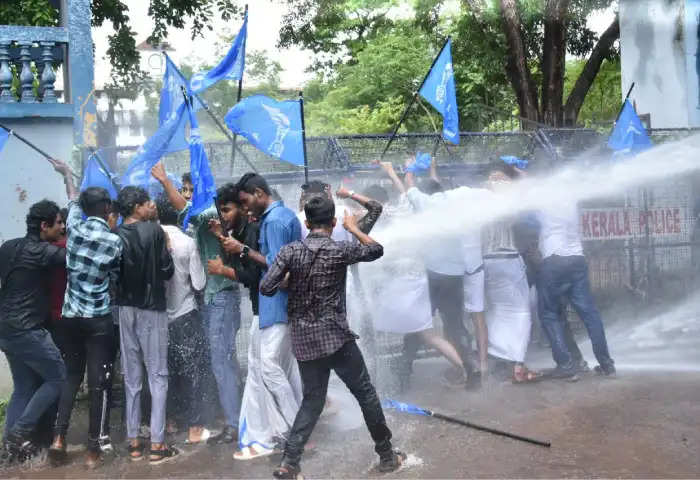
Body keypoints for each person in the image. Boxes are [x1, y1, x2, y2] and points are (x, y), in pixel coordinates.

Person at [260, 196, 405, 479]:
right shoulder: (340, 250)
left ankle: (289, 463)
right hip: (336, 338)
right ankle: (387, 456)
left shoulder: (290, 252)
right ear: (334, 222)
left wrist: (290, 281)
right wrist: (354, 228)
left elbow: (267, 287)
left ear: (306, 222)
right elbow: (375, 249)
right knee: (365, 393)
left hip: (304, 340)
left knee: (312, 401)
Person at [151, 163, 241, 445]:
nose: (188, 195)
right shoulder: (195, 226)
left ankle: (234, 422)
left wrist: (166, 182)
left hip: (220, 296)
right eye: (184, 190)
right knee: (218, 361)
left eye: (192, 190)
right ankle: (229, 418)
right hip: (209, 298)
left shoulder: (209, 213)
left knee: (220, 361)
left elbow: (185, 211)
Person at [220, 172, 302, 460]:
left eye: (245, 202)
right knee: (277, 367)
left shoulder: (277, 221)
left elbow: (278, 266)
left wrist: (242, 250)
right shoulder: (273, 219)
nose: (245, 209)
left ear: (258, 193)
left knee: (269, 367)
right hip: (274, 306)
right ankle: (291, 429)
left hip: (277, 305)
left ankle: (296, 431)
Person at [375, 161, 471, 388]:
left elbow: (407, 191)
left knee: (422, 330)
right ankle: (468, 366)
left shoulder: (414, 208)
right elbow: (421, 189)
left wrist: (395, 170)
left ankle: (464, 368)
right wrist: (426, 169)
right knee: (444, 327)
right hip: (450, 275)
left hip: (427, 278)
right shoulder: (445, 206)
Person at [49, 185, 123, 468]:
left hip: (70, 319)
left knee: (71, 376)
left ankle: (58, 438)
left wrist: (67, 178)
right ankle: (93, 451)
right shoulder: (114, 242)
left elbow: (72, 203)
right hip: (98, 320)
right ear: (107, 209)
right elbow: (116, 275)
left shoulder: (73, 231)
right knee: (98, 383)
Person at [0, 162, 69, 463]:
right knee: (58, 379)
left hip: (5, 328)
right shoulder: (45, 252)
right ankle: (20, 432)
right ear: (44, 227)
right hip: (28, 329)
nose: (62, 227)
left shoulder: (8, 246)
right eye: (57, 223)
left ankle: (7, 449)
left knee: (25, 386)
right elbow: (75, 257)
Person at [115, 186, 177, 464]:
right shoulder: (155, 232)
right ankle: (157, 443)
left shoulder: (114, 235)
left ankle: (133, 441)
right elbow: (167, 270)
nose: (150, 206)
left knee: (132, 376)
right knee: (158, 375)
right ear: (137, 208)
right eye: (146, 203)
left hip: (125, 309)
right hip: (152, 309)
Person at [536, 195, 616, 378]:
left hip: (554, 258)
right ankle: (606, 364)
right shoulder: (570, 197)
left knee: (549, 314)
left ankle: (565, 364)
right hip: (577, 259)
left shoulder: (541, 194)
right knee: (590, 314)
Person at [156, 196, 211, 444]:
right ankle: (195, 428)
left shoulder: (148, 241)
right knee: (192, 371)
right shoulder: (188, 243)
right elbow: (199, 283)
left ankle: (169, 422)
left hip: (156, 319)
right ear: (179, 217)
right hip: (185, 314)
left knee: (163, 372)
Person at [481, 163, 541, 383]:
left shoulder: (477, 201)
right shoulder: (503, 202)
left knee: (497, 311)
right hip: (507, 261)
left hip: (487, 263)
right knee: (521, 313)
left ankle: (499, 355)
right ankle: (517, 363)